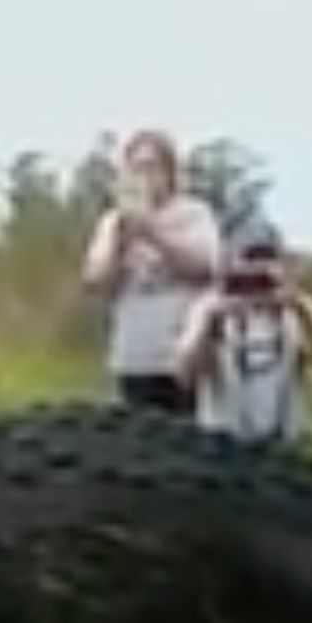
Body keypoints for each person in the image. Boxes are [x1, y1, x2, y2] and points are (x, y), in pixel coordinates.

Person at [81, 129, 222, 413]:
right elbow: (95, 281)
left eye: (151, 167)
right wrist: (120, 244)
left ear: (170, 172)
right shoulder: (112, 222)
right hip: (133, 356)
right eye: (136, 168)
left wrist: (152, 233)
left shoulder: (195, 214)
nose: (144, 176)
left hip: (184, 357)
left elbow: (206, 266)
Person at [173, 220, 312, 444]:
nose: (257, 272)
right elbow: (184, 375)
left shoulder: (299, 308)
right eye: (250, 260)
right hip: (223, 440)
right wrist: (210, 324)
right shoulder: (207, 308)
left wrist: (298, 306)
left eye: (267, 260)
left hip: (285, 438)